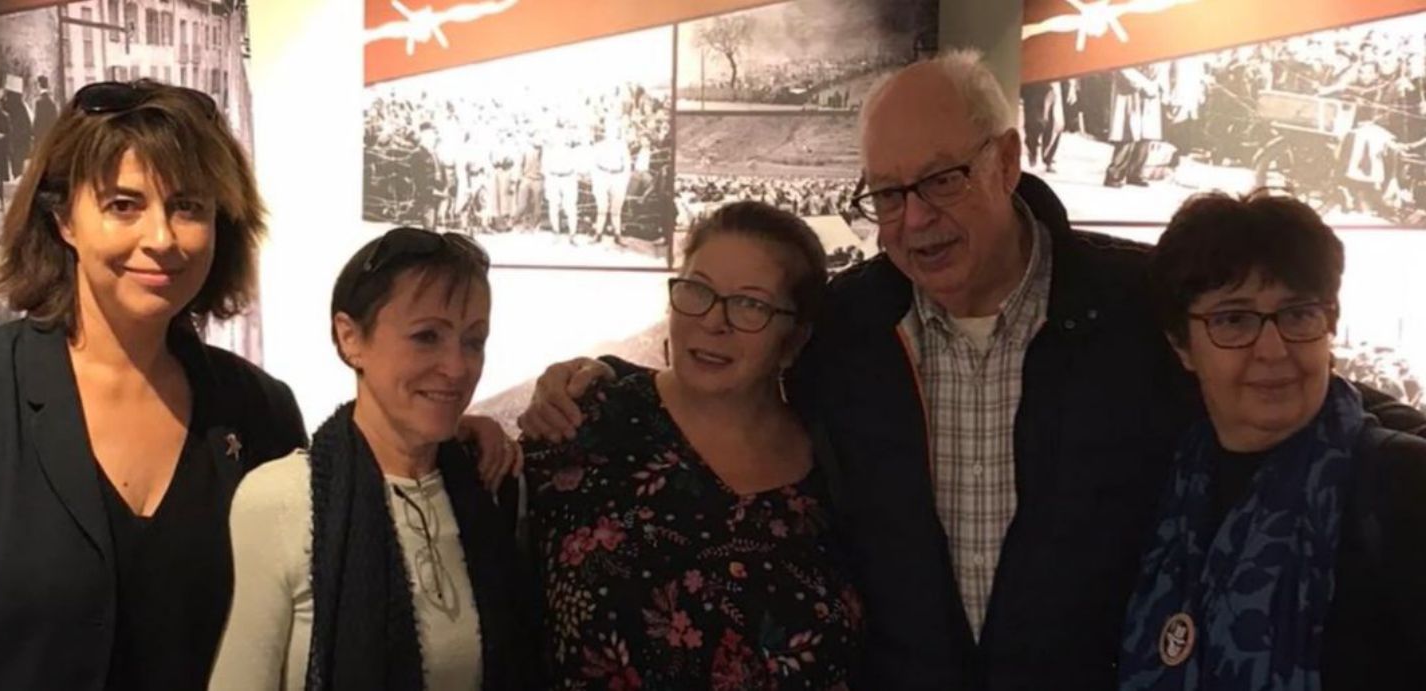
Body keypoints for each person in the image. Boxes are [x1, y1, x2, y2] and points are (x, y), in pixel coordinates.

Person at [515, 51, 1426, 690]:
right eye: (887, 194)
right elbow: (731, 355)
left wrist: (1403, 445)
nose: (913, 220)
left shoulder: (1129, 298)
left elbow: (1285, 374)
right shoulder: (848, 324)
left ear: (1006, 160)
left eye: (941, 180)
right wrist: (589, 375)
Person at [0, 79, 309, 691]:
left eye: (189, 206)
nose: (161, 238)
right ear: (63, 220)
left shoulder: (259, 412)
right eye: (123, 205)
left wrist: (455, 445)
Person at [524, 201, 860, 689]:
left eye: (751, 304)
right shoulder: (584, 420)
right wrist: (475, 433)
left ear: (795, 338)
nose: (713, 321)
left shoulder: (837, 464)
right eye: (698, 290)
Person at [1120, 191, 1426, 690]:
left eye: (1298, 314)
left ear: (1330, 324)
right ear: (1182, 345)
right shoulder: (1162, 490)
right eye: (1233, 319)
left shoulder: (1404, 485)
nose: (1273, 349)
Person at [211, 227, 532, 691]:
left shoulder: (489, 484)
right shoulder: (282, 499)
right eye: (427, 337)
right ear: (350, 338)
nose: (457, 367)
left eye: (473, 341)